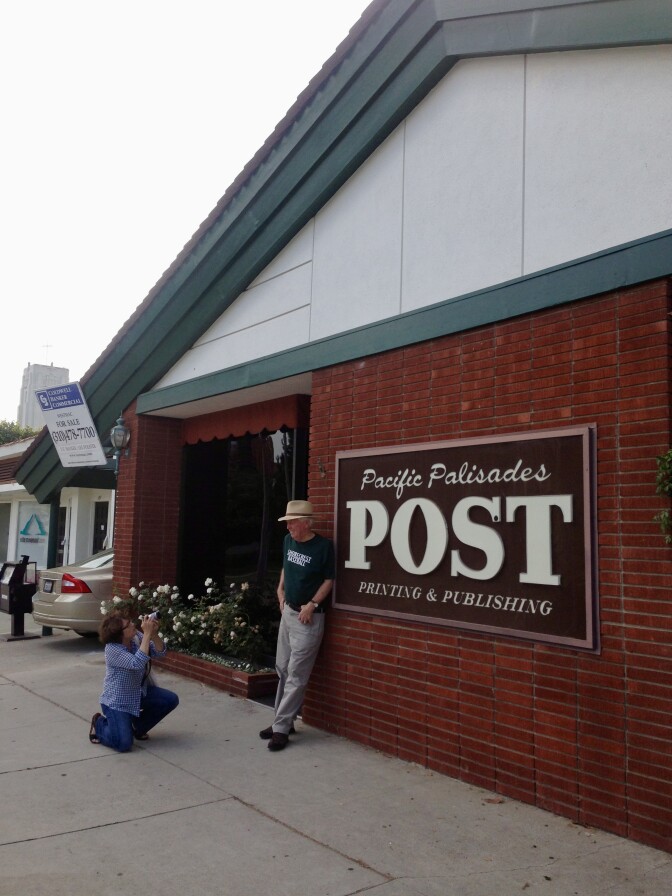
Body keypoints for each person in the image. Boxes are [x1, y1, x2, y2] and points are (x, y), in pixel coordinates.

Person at [260, 499, 335, 752]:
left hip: (308, 618)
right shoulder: (288, 541)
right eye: (288, 522)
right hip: (288, 613)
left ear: (305, 523)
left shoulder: (323, 547)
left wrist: (312, 604)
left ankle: (280, 728)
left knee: (296, 675)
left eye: (292, 522)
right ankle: (284, 720)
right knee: (282, 668)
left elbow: (329, 579)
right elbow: (286, 567)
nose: (289, 527)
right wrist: (280, 591)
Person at [89, 612, 179, 751]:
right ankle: (99, 724)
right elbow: (136, 663)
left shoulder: (136, 638)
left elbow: (160, 652)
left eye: (130, 622)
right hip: (118, 702)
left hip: (139, 693)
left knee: (170, 700)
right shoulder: (112, 650)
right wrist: (147, 635)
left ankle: (137, 726)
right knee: (123, 744)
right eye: (128, 625)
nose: (133, 625)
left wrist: (153, 634)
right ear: (119, 634)